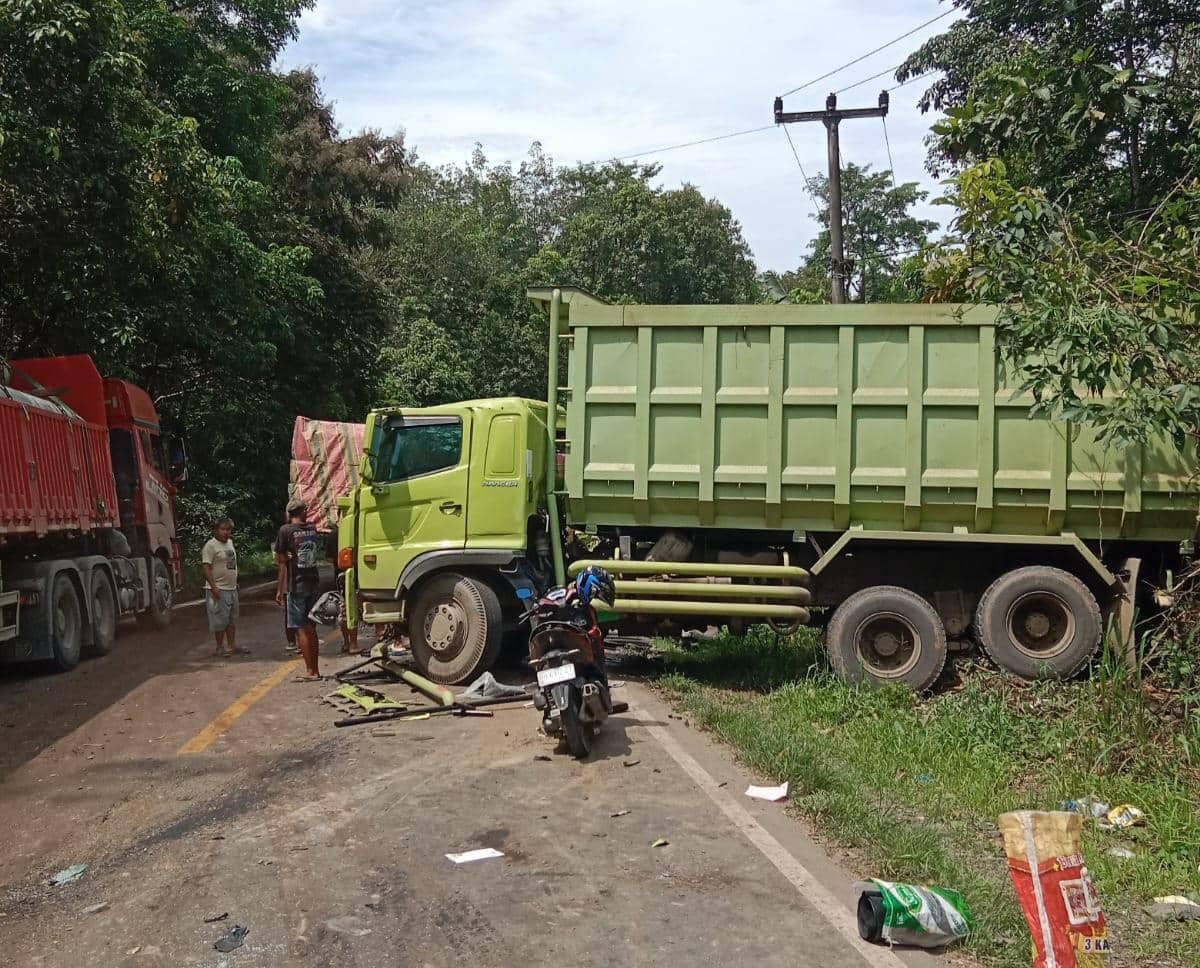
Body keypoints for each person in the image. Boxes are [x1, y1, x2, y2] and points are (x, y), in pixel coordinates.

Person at [276, 500, 323, 680]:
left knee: (301, 629)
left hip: (296, 584)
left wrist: (287, 556)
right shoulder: (312, 529)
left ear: (289, 513)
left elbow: (280, 558)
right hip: (313, 583)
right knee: (312, 628)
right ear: (303, 512)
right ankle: (316, 670)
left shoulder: (285, 530)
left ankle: (310, 671)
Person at [202, 517, 246, 658]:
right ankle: (219, 647)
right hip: (218, 588)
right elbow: (206, 567)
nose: (226, 532)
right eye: (223, 529)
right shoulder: (210, 546)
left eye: (228, 530)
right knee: (220, 620)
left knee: (232, 619)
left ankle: (232, 645)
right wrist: (214, 587)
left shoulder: (230, 544)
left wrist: (235, 581)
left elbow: (231, 564)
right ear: (216, 530)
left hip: (231, 587)